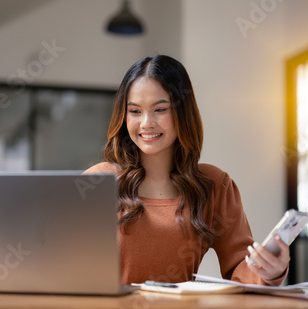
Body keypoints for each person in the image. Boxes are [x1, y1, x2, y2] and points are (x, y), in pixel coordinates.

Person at [84, 55, 289, 286]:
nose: (146, 123)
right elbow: (64, 260)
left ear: (183, 112)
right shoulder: (99, 181)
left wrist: (269, 270)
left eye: (160, 109)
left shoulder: (214, 185)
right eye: (135, 111)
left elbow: (239, 270)